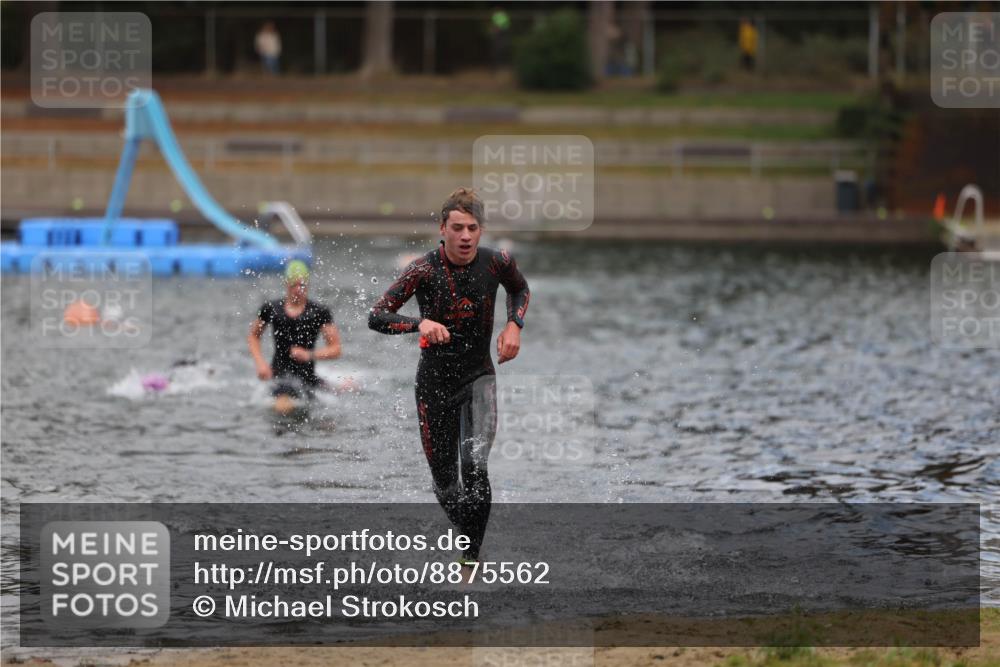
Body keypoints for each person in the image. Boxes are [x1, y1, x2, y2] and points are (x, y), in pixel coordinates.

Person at [368, 188, 529, 571]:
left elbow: (519, 288)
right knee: (446, 484)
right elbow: (377, 315)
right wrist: (418, 323)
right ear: (443, 229)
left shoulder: (497, 262)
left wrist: (513, 326)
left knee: (474, 467)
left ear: (481, 229)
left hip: (479, 380)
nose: (466, 236)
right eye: (457, 228)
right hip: (435, 385)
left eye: (473, 228)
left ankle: (470, 561)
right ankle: (471, 536)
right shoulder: (423, 270)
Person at [248, 261, 342, 414]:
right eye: (294, 285)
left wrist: (308, 355)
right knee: (284, 408)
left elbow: (336, 349)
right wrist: (260, 364)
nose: (298, 289)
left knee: (349, 389)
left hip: (307, 376)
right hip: (280, 376)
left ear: (308, 284)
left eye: (302, 285)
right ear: (286, 284)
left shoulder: (319, 312)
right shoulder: (271, 309)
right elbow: (253, 336)